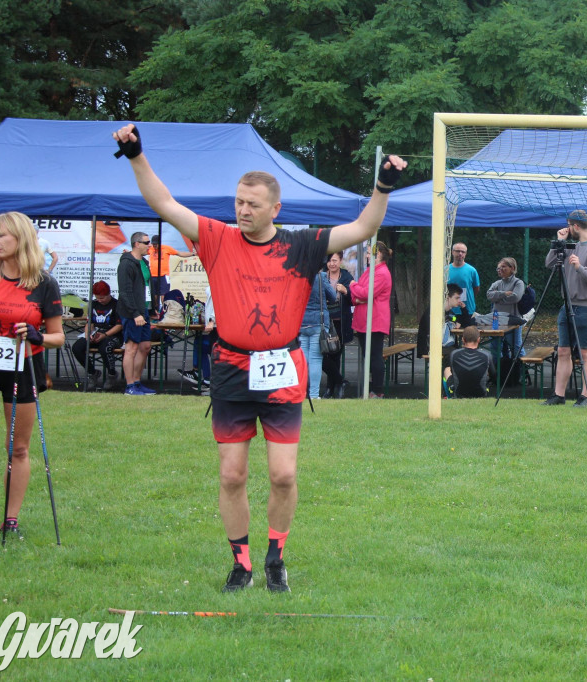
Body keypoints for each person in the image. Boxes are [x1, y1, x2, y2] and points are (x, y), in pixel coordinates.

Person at [112, 122, 405, 592]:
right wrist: (136, 156)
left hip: (282, 368)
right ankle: (241, 563)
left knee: (283, 474)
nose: (242, 210)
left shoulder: (301, 245)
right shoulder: (217, 239)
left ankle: (275, 558)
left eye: (252, 204)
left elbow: (364, 227)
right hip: (231, 367)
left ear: (275, 208)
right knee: (232, 474)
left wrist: (382, 187)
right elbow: (163, 203)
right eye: (238, 202)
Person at [0, 212, 65, 544]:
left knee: (18, 448)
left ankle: (10, 519)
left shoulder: (44, 283)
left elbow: (58, 336)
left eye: (2, 236)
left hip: (23, 368)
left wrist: (37, 335)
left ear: (21, 240)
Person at [541, 209, 587, 407]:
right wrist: (559, 242)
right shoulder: (570, 246)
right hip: (567, 305)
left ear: (576, 227)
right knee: (563, 350)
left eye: (569, 226)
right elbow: (549, 263)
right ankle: (558, 395)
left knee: (586, 352)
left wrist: (580, 268)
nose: (567, 229)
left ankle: (585, 397)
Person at [349, 241, 393, 398]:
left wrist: (353, 286)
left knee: (375, 355)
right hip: (364, 319)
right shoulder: (370, 271)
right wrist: (358, 294)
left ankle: (378, 390)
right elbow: (360, 295)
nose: (367, 256)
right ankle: (373, 389)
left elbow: (365, 293)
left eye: (369, 253)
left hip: (374, 320)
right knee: (369, 356)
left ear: (378, 254)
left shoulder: (382, 273)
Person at [117, 231, 155, 395]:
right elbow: (125, 292)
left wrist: (151, 309)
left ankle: (137, 382)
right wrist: (135, 313)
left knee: (145, 346)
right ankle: (130, 386)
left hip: (144, 310)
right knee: (131, 347)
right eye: (146, 242)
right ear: (136, 244)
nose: (150, 245)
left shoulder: (144, 262)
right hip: (133, 312)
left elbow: (147, 287)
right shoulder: (126, 264)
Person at [297, 271, 337, 401]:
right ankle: (314, 395)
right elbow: (332, 296)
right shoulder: (321, 276)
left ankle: (302, 393)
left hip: (302, 321)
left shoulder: (298, 274)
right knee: (316, 359)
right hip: (318, 323)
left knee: (304, 360)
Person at [71, 280, 122, 381]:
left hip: (113, 334)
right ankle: (92, 372)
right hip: (96, 333)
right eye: (97, 297)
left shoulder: (117, 305)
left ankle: (112, 374)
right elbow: (89, 323)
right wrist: (88, 334)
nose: (99, 300)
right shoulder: (94, 304)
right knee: (76, 347)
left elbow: (119, 325)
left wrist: (105, 335)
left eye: (102, 298)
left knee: (105, 348)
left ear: (108, 294)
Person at [322, 251, 354, 398]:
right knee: (324, 355)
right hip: (325, 323)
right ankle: (340, 382)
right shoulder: (321, 276)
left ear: (340, 260)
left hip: (341, 322)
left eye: (335, 260)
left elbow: (354, 299)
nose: (332, 264)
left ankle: (330, 389)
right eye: (329, 261)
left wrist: (346, 291)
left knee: (336, 355)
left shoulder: (347, 277)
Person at [486, 257, 525, 359]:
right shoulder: (497, 283)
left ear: (512, 268)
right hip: (496, 319)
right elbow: (489, 295)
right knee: (495, 347)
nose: (500, 270)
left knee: (516, 347)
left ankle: (521, 371)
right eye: (498, 268)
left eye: (503, 267)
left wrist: (498, 298)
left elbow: (515, 297)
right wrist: (504, 294)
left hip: (512, 319)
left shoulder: (518, 283)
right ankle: (498, 372)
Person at [446, 325, 495, 398]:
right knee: (486, 370)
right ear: (478, 339)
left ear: (463, 339)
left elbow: (453, 372)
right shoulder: (487, 355)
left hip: (459, 394)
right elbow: (493, 375)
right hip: (481, 394)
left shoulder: (454, 354)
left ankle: (450, 392)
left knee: (447, 370)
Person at [148, 234, 194, 307]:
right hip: (153, 276)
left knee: (164, 295)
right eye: (153, 244)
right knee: (154, 296)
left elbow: (180, 253)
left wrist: (193, 254)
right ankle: (155, 312)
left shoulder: (166, 248)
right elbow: (140, 252)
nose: (154, 246)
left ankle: (164, 311)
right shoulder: (150, 249)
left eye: (156, 244)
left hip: (164, 276)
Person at [447, 242, 480, 326]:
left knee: (468, 334)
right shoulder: (445, 270)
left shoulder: (472, 270)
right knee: (452, 333)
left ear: (465, 254)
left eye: (463, 252)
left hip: (467, 311)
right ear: (452, 252)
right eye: (457, 251)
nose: (460, 253)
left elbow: (476, 288)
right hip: (452, 312)